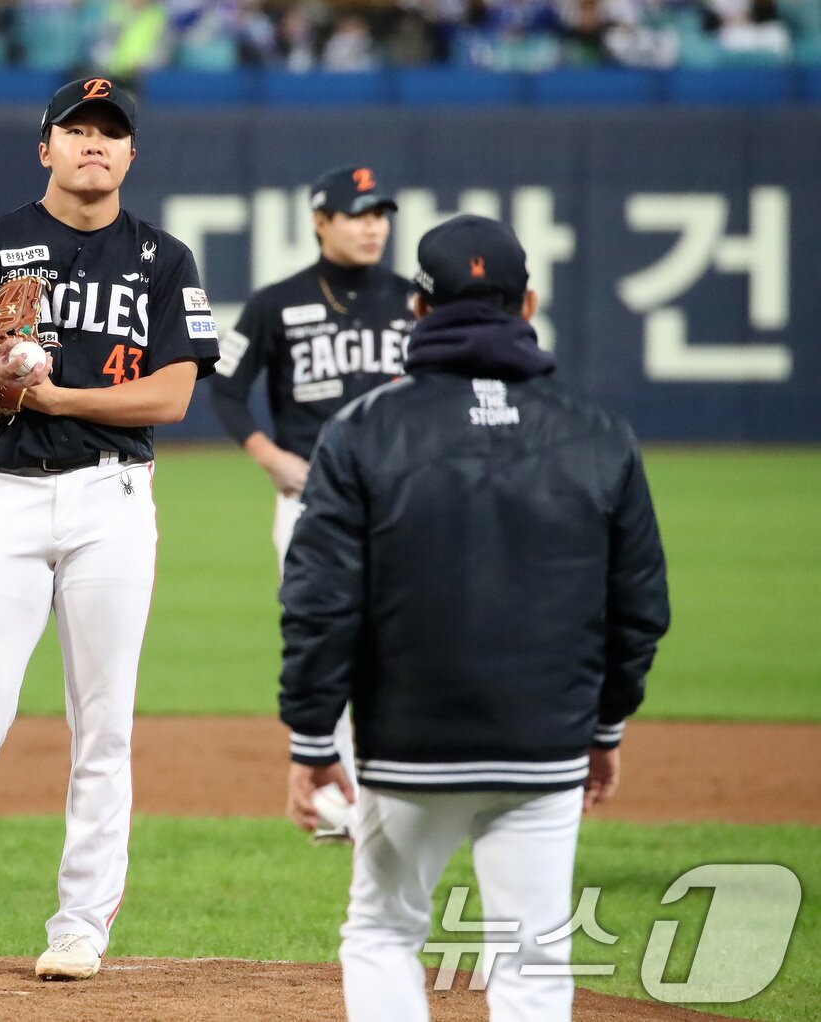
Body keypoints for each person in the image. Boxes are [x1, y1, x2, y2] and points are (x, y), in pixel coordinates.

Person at [278, 214, 670, 1022]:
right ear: (528, 304)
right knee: (533, 957)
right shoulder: (600, 437)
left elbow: (321, 599)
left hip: (411, 745)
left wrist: (315, 740)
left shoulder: (362, 431)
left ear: (418, 311)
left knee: (384, 933)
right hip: (544, 744)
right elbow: (640, 609)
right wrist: (604, 730)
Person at [0, 76, 219, 983]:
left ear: (130, 153)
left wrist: (58, 394)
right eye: (76, 129)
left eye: (110, 132)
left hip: (114, 500)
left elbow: (175, 392)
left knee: (104, 724)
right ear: (44, 146)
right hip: (3, 495)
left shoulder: (163, 258)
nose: (94, 144)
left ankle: (80, 924)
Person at [209, 162, 415, 840]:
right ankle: (342, 798)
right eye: (358, 214)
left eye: (379, 214)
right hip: (314, 503)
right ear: (321, 221)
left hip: (400, 502)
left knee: (396, 646)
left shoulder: (415, 300)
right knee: (327, 640)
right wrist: (270, 457)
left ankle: (385, 795)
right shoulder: (278, 302)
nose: (372, 226)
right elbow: (226, 387)